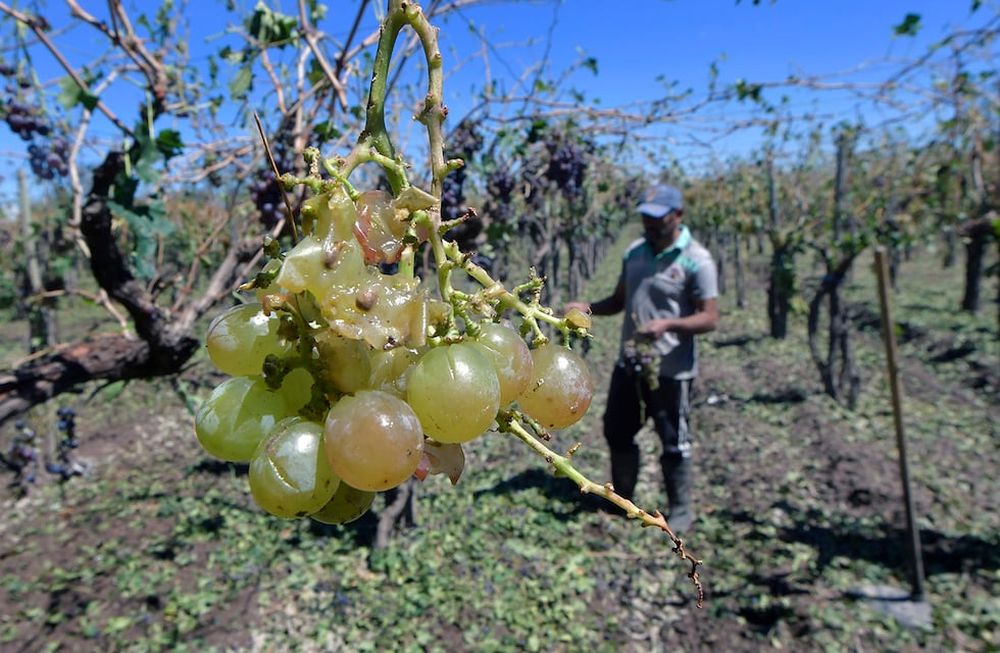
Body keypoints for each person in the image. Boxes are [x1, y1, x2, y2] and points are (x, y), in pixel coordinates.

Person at [566, 184, 719, 533]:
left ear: (677, 215)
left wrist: (669, 324)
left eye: (657, 217)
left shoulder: (697, 260)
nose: (649, 224)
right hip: (630, 363)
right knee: (617, 431)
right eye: (645, 217)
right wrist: (586, 308)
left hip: (672, 371)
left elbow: (709, 318)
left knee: (674, 443)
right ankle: (624, 499)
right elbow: (619, 300)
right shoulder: (634, 253)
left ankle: (679, 510)